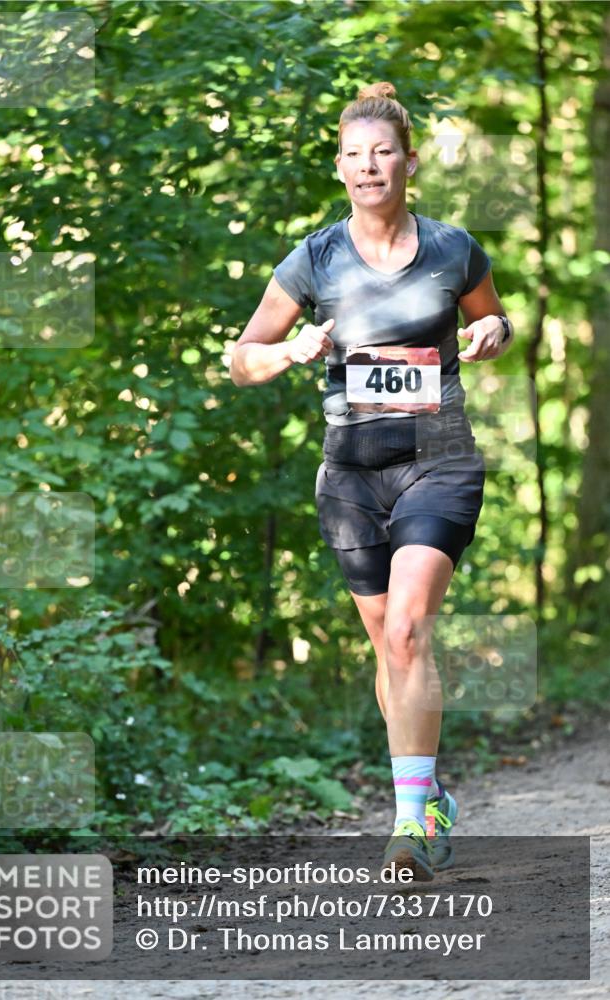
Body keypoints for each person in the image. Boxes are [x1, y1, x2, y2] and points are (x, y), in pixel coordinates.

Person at [229, 82, 513, 880]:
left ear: (408, 162)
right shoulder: (313, 258)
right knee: (391, 654)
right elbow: (241, 357)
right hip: (351, 476)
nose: (369, 166)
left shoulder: (452, 248)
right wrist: (285, 352)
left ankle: (408, 827)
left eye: (382, 152)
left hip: (439, 462)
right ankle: (430, 796)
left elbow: (494, 317)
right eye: (354, 154)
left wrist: (492, 327)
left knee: (406, 632)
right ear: (340, 167)